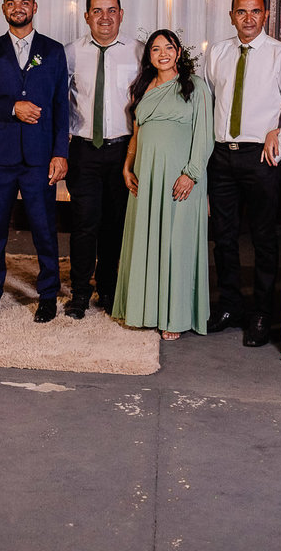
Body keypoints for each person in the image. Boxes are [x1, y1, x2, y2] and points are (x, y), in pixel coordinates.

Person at [204, 0, 281, 347]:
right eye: (241, 12)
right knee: (224, 237)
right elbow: (212, 98)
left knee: (262, 238)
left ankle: (261, 313)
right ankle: (229, 305)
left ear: (266, 15)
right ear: (231, 15)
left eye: (255, 12)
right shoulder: (218, 52)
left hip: (261, 156)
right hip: (221, 156)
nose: (248, 18)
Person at [0, 0, 69, 323]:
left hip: (40, 157)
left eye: (24, 2)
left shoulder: (53, 51)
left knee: (44, 228)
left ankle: (48, 295)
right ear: (3, 8)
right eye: (11, 3)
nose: (18, 8)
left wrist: (60, 153)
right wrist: (12, 107)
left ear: (35, 7)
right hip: (0, 156)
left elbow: (60, 106)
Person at [114, 30, 213, 337]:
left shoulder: (195, 86)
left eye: (168, 48)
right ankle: (144, 309)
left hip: (180, 176)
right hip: (147, 174)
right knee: (145, 239)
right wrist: (127, 166)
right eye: (155, 49)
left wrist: (192, 173)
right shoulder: (142, 87)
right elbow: (137, 133)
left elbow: (204, 134)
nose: (162, 54)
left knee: (176, 242)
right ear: (149, 56)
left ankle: (175, 317)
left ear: (179, 52)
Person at [63, 0, 142, 319]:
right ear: (86, 16)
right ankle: (79, 292)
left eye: (111, 10)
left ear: (121, 14)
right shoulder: (69, 53)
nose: (105, 17)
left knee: (115, 224)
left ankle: (108, 289)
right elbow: (58, 99)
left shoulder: (139, 52)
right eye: (97, 11)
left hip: (123, 151)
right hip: (84, 149)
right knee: (83, 224)